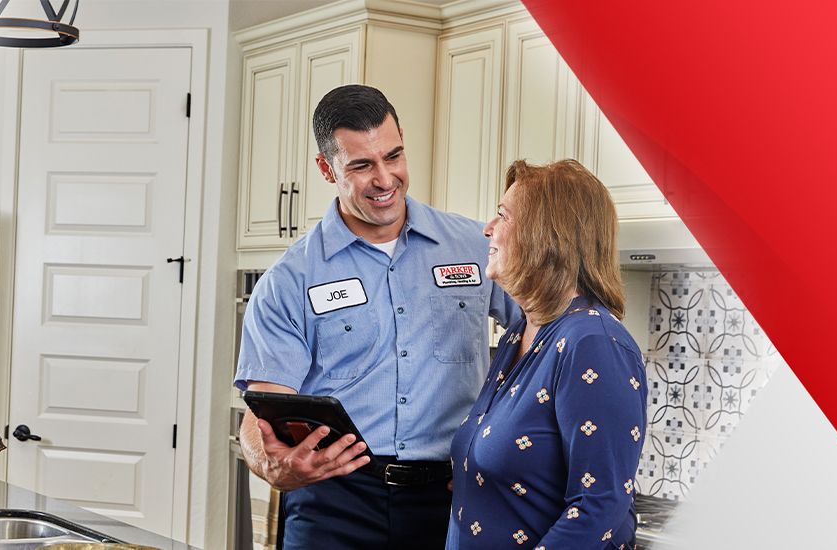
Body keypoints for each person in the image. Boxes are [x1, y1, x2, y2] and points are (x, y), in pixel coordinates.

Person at [235, 84, 520, 549]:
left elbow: (548, 335)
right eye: (362, 165)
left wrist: (513, 445)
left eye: (394, 156)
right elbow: (262, 408)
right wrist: (269, 463)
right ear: (327, 169)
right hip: (334, 498)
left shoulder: (475, 245)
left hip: (453, 496)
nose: (385, 178)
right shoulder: (290, 279)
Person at [446, 159, 647, 550]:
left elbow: (598, 509)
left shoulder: (592, 343)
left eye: (502, 216)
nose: (487, 228)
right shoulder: (521, 332)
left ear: (546, 236)